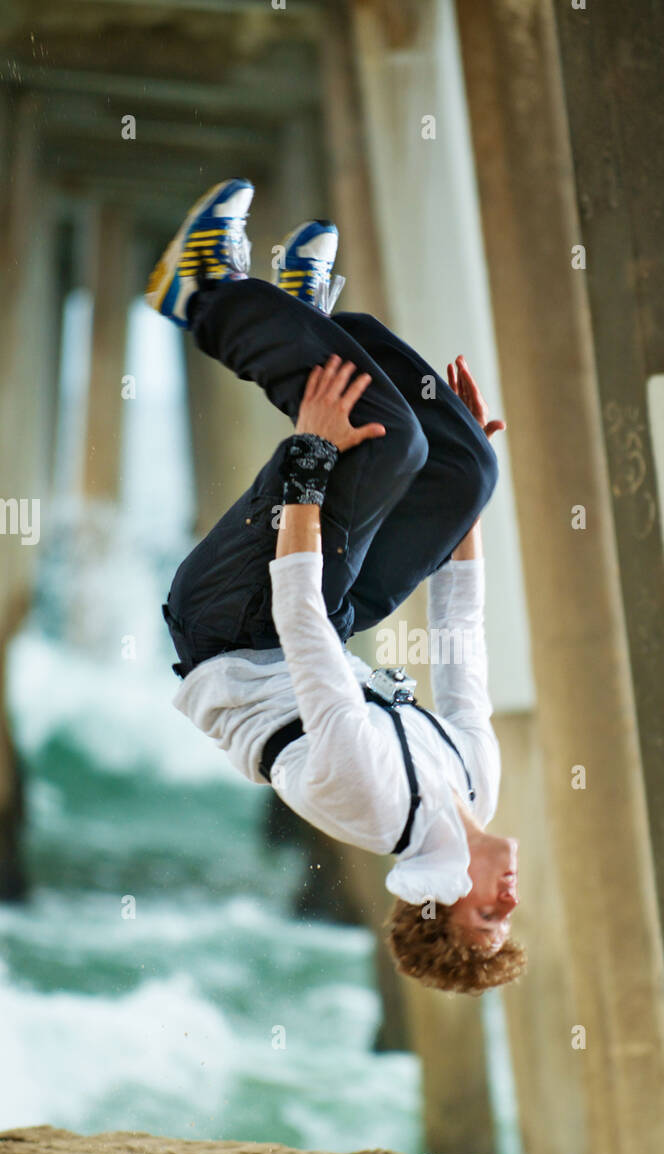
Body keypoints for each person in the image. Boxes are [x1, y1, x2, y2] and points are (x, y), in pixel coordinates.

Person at [148, 179, 526, 994]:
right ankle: (306, 324)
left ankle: (205, 294)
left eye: (488, 917)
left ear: (441, 898)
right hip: (316, 615)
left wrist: (312, 460)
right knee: (462, 469)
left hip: (235, 625)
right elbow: (461, 644)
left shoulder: (369, 800)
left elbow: (302, 630)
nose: (510, 900)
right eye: (509, 919)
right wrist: (470, 482)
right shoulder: (472, 784)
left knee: (380, 451)